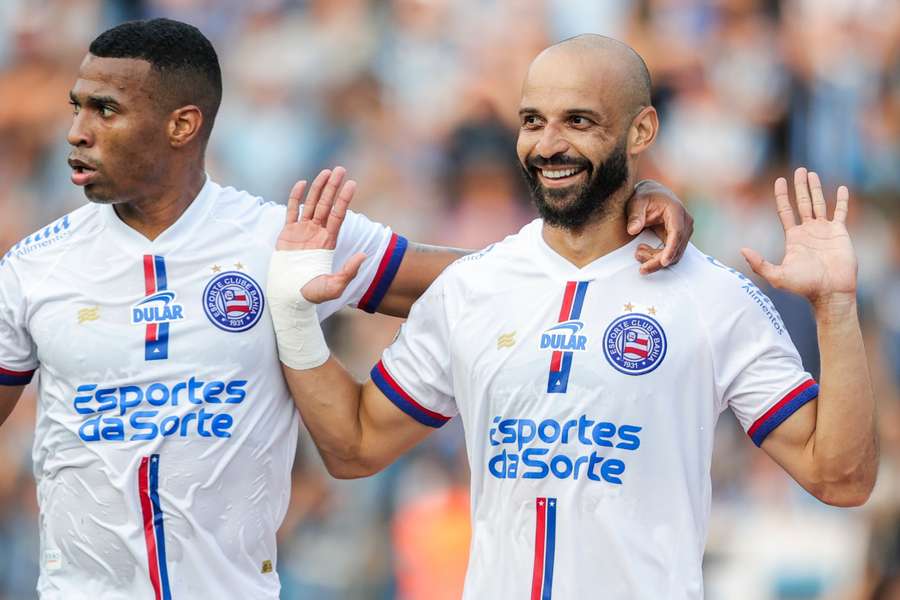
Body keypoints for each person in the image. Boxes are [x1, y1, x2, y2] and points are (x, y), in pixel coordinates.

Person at [0, 19, 694, 600]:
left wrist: (618, 205)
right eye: (76, 106)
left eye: (104, 110)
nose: (76, 131)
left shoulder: (287, 237)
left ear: (183, 124)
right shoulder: (34, 267)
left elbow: (488, 280)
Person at [271, 34, 878, 599]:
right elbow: (354, 445)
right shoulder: (472, 288)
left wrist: (836, 309)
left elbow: (841, 478)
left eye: (579, 121)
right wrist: (294, 316)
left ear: (641, 130)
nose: (548, 144)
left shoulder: (713, 298)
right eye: (532, 120)